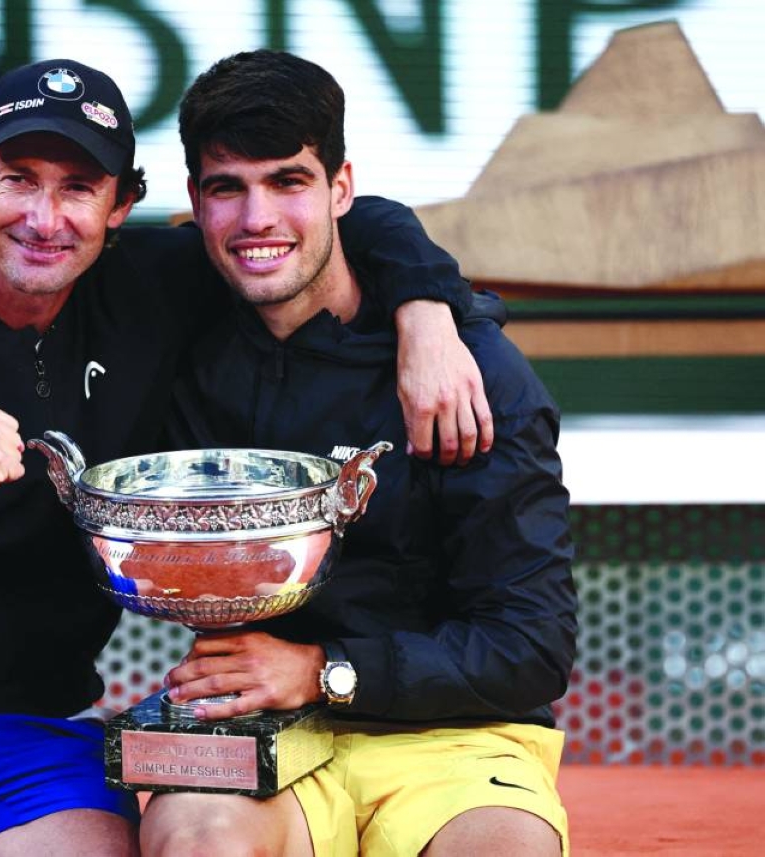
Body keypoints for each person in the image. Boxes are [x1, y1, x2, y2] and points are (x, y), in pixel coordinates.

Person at [0, 58, 485, 855]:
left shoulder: (148, 288)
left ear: (123, 206)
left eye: (79, 187)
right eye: (19, 179)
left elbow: (334, 220)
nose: (46, 219)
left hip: (35, 739)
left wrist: (427, 312)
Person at [136, 51, 576, 857]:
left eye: (288, 182)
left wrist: (322, 669)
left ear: (340, 188)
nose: (256, 218)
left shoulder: (472, 377)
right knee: (201, 841)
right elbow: (34, 245)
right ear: (195, 200)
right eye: (227, 187)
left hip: (453, 735)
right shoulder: (172, 317)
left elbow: (531, 647)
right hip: (253, 723)